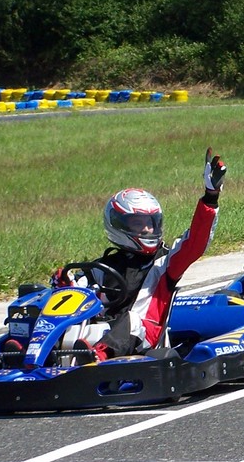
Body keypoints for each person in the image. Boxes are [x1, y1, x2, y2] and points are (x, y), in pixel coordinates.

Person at [44, 148, 226, 362]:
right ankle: (25, 350)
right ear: (119, 225)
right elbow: (78, 294)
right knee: (40, 301)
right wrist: (64, 284)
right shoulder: (102, 267)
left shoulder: (165, 263)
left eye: (151, 223)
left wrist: (210, 197)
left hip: (146, 341)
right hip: (101, 333)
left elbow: (195, 243)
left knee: (131, 320)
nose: (148, 230)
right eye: (139, 224)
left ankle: (96, 358)